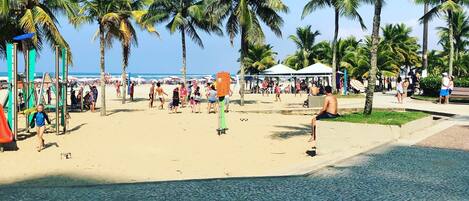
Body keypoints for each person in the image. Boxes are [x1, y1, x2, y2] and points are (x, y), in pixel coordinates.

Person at [309, 86, 338, 152]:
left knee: (313, 120)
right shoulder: (334, 97)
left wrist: (318, 114)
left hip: (330, 115)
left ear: (325, 91)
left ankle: (313, 136)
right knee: (317, 118)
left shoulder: (327, 97)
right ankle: (313, 135)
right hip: (335, 114)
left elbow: (324, 109)